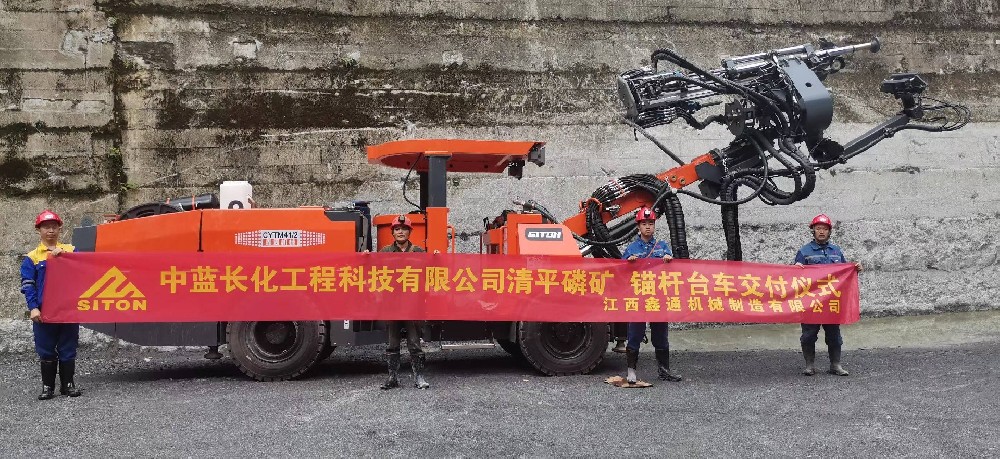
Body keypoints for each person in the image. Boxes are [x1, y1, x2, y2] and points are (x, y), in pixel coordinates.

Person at [21, 210, 81, 400]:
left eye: (54, 227)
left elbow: (83, 271)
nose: (50, 231)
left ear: (59, 229)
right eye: (46, 227)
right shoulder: (32, 257)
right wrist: (33, 307)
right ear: (38, 230)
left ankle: (68, 385)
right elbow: (28, 285)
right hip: (44, 311)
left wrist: (65, 258)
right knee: (45, 348)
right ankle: (48, 387)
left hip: (68, 310)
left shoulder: (71, 250)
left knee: (68, 347)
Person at [794, 213, 863, 376]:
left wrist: (855, 269)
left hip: (832, 302)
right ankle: (809, 365)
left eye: (825, 229)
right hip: (811, 303)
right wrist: (795, 269)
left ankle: (835, 365)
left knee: (834, 336)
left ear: (829, 231)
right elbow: (795, 277)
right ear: (813, 231)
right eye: (818, 228)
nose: (821, 231)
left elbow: (844, 273)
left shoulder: (836, 251)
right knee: (808, 336)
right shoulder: (804, 252)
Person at [621, 206, 682, 384]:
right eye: (644, 223)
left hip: (658, 298)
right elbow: (620, 272)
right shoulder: (632, 248)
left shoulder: (662, 247)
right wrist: (628, 263)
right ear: (638, 226)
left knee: (661, 336)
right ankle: (631, 371)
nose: (648, 227)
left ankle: (664, 370)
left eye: (651, 223)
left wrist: (670, 262)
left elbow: (674, 272)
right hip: (639, 298)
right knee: (635, 335)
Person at [379, 214, 431, 390]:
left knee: (415, 343)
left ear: (409, 232)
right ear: (393, 233)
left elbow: (431, 271)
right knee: (392, 344)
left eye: (404, 229)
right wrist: (365, 257)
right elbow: (372, 269)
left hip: (413, 306)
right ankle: (392, 378)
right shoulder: (385, 252)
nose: (400, 232)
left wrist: (437, 258)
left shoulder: (419, 252)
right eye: (397, 229)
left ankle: (419, 377)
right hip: (392, 306)